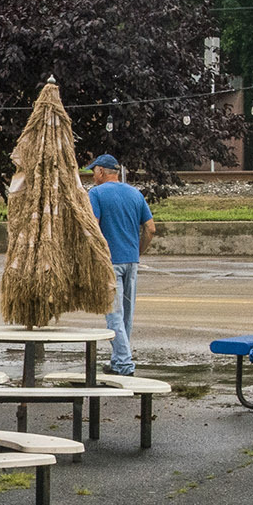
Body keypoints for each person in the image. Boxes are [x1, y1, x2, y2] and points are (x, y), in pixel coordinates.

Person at [86, 153, 155, 376]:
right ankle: (117, 361)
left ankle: (125, 365)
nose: (93, 176)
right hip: (131, 261)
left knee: (113, 315)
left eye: (93, 171)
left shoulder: (95, 193)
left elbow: (94, 228)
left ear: (101, 171)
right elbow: (151, 228)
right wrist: (138, 251)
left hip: (110, 262)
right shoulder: (135, 194)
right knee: (126, 315)